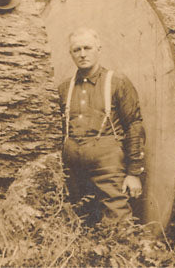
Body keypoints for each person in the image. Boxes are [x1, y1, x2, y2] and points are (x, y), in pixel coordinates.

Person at [58, 27, 145, 224]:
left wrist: (133, 173)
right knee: (77, 216)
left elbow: (134, 126)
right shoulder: (64, 88)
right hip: (73, 166)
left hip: (108, 162)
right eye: (77, 50)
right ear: (71, 54)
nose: (82, 54)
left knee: (117, 215)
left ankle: (122, 242)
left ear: (99, 49)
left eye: (87, 48)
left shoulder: (117, 82)